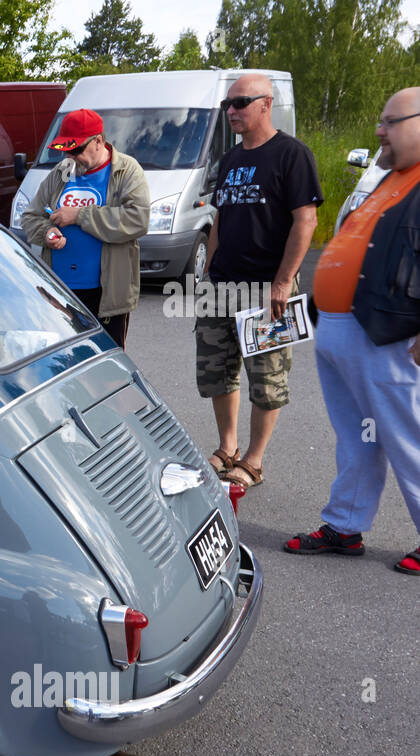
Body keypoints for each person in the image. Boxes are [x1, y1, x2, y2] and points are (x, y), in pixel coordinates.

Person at [284, 86, 420, 576]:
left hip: (386, 332)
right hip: (343, 327)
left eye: (391, 121)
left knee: (410, 435)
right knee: (356, 435)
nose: (379, 130)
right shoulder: (388, 176)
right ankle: (344, 525)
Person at [197, 73, 322, 489]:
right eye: (227, 105)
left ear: (266, 103)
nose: (231, 111)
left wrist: (283, 281)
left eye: (240, 103)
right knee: (218, 371)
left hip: (268, 290)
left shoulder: (291, 155)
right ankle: (227, 447)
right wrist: (207, 277)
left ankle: (253, 460)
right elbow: (219, 220)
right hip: (221, 286)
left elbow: (306, 220)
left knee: (267, 380)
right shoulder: (230, 160)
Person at [20, 109, 149, 349]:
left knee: (106, 366)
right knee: (63, 362)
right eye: (67, 150)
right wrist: (46, 233)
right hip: (61, 291)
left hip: (105, 296)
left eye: (77, 150)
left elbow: (137, 219)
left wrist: (79, 215)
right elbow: (30, 217)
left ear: (98, 141)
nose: (71, 156)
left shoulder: (126, 171)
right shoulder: (60, 173)